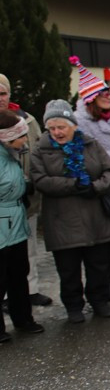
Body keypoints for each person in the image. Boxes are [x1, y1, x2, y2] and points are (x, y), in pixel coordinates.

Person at [30, 100, 110, 323]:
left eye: (61, 127)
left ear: (72, 125)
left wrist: (95, 187)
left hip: (96, 216)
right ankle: (74, 306)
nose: (56, 132)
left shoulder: (90, 144)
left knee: (98, 264)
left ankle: (99, 300)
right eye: (51, 128)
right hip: (62, 219)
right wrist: (72, 185)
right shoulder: (40, 150)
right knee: (68, 268)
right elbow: (40, 180)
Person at [71, 57, 110, 302]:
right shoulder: (82, 123)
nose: (108, 96)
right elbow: (92, 154)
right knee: (102, 241)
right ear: (91, 99)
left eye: (108, 93)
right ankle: (102, 284)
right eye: (103, 94)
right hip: (103, 186)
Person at [0, 74, 51, 307]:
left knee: (27, 247)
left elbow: (39, 149)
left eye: (2, 93)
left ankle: (29, 291)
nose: (0, 98)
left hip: (27, 196)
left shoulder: (27, 120)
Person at [0, 110, 44, 341]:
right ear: (7, 137)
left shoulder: (11, 154)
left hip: (15, 224)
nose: (25, 141)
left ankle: (23, 319)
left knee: (19, 274)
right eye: (21, 136)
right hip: (2, 226)